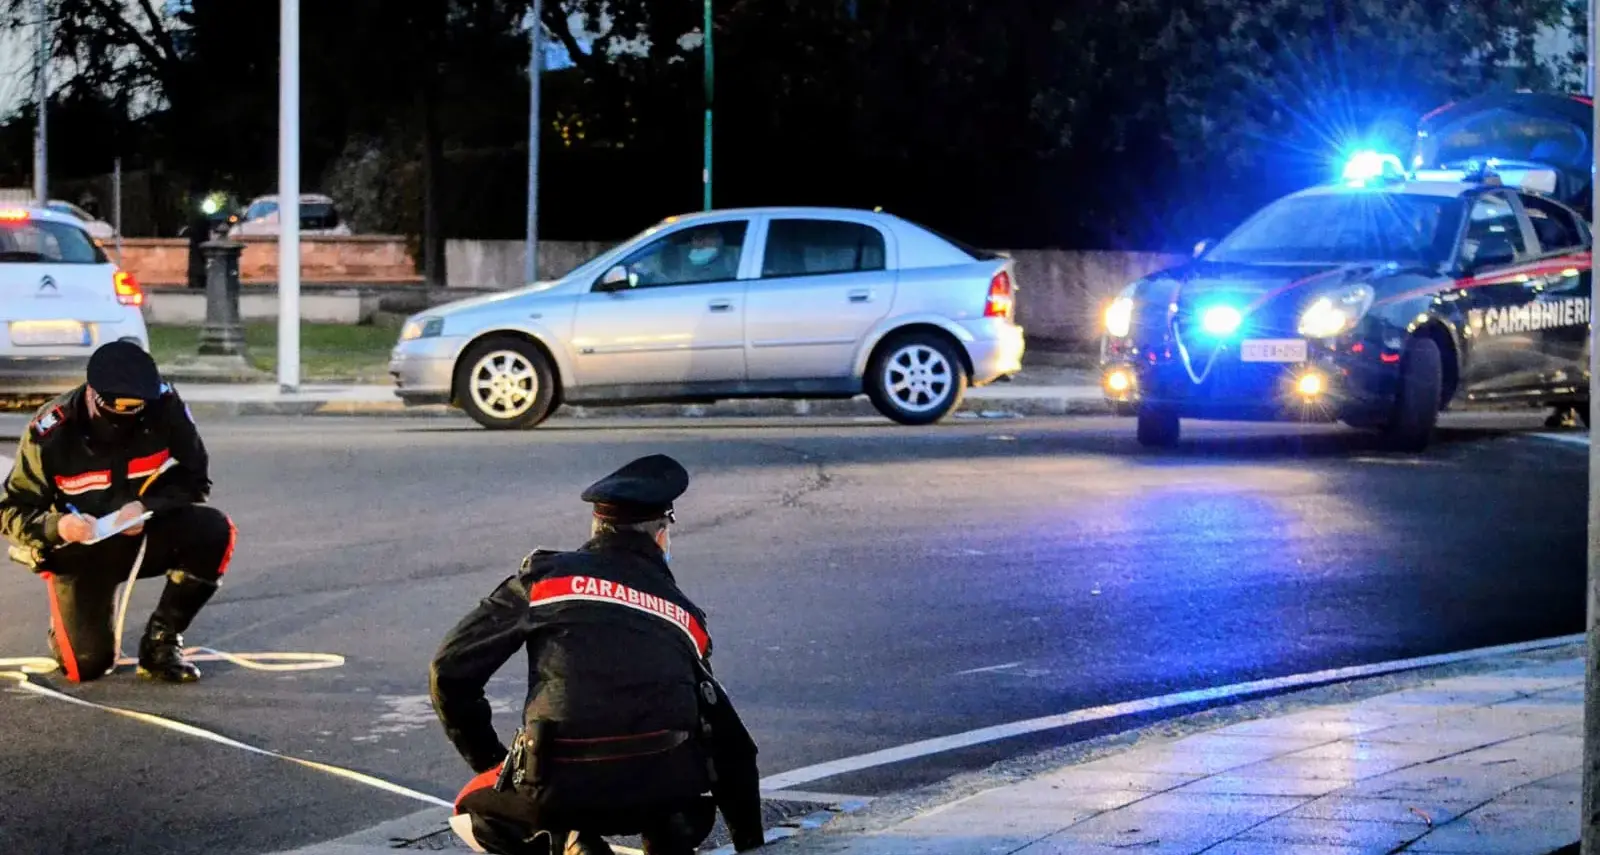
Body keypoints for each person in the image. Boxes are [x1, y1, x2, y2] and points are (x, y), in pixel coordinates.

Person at [430, 454, 764, 855]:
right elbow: (730, 741)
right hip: (664, 794)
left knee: (473, 810)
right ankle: (661, 839)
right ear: (661, 535)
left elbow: (449, 671)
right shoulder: (685, 616)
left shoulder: (545, 581)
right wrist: (750, 843)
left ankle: (573, 840)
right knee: (672, 770)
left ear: (597, 527)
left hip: (558, 789)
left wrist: (491, 762)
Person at [0, 341, 235, 684]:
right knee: (88, 667)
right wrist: (59, 526)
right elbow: (11, 511)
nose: (127, 418)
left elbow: (196, 479)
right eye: (117, 408)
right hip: (78, 547)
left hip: (142, 531)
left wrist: (146, 507)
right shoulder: (51, 433)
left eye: (136, 408)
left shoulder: (165, 407)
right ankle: (66, 617)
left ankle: (161, 641)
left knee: (215, 531)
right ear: (93, 394)